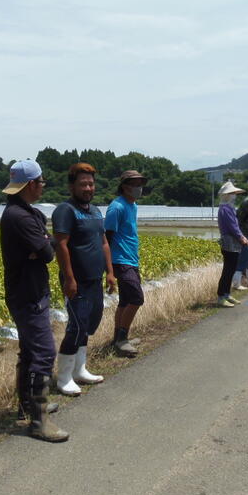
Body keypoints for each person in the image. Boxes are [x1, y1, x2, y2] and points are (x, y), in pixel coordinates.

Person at [0, 159, 68, 442]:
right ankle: (39, 421)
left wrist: (41, 244)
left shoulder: (28, 213)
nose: (43, 186)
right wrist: (42, 245)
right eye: (41, 182)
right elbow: (49, 253)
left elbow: (44, 245)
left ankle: (27, 406)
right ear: (31, 184)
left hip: (30, 289)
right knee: (44, 352)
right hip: (27, 293)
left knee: (29, 351)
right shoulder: (20, 217)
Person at [52, 163, 116, 395]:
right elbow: (61, 245)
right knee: (77, 326)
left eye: (91, 184)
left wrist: (110, 272)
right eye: (83, 184)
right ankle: (64, 378)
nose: (88, 188)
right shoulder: (65, 210)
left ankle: (80, 369)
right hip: (76, 281)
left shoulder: (95, 211)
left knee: (88, 324)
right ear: (72, 186)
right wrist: (69, 279)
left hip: (94, 279)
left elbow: (104, 243)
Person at [105, 169, 147, 357]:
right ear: (125, 187)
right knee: (137, 298)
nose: (139, 188)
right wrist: (109, 270)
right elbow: (107, 238)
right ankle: (122, 340)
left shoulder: (133, 205)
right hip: (120, 261)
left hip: (131, 259)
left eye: (140, 184)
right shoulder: (117, 207)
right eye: (135, 184)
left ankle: (119, 338)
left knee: (125, 300)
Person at [216, 181, 248, 307]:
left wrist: (241, 236)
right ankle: (221, 296)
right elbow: (232, 226)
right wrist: (241, 237)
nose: (235, 195)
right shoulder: (225, 209)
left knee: (231, 269)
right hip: (229, 241)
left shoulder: (229, 208)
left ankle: (226, 294)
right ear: (227, 195)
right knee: (228, 270)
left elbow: (235, 226)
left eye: (235, 193)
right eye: (233, 193)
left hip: (233, 241)